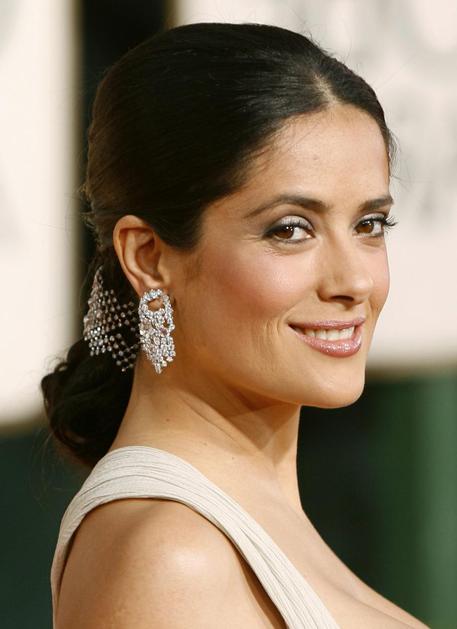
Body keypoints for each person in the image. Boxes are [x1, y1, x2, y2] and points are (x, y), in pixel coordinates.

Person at [41, 22, 429, 629]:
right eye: (290, 229)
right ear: (148, 256)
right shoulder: (171, 558)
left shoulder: (232, 523)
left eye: (368, 225)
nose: (354, 280)